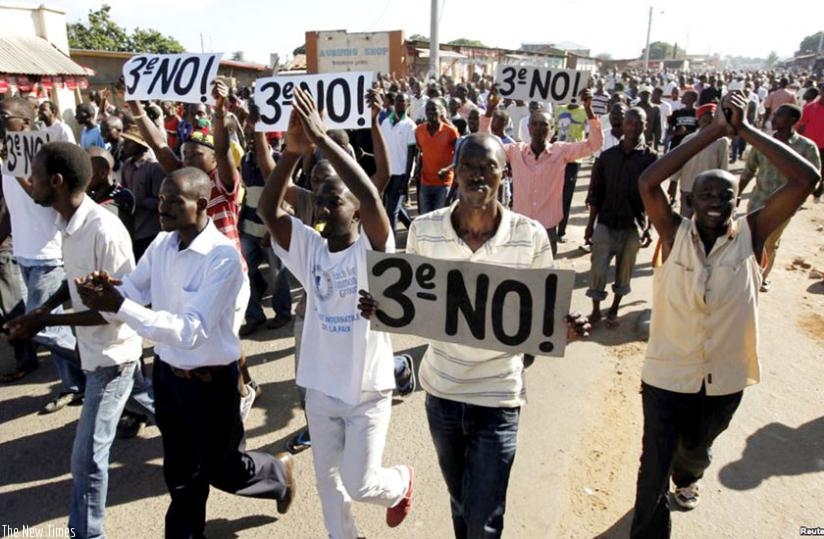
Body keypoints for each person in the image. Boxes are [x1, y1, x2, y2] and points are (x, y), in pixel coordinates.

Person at [631, 91, 820, 538]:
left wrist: (748, 130)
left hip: (723, 378)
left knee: (694, 451)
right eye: (706, 194)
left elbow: (806, 179)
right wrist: (714, 130)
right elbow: (648, 182)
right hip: (667, 373)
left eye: (726, 195)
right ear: (692, 201)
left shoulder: (752, 234)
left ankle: (690, 475)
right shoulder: (673, 232)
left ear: (739, 202)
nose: (716, 201)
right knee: (651, 464)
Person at [76, 166, 296, 538]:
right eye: (161, 200)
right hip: (168, 377)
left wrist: (119, 304)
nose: (162, 208)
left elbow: (190, 331)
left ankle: (277, 473)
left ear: (202, 203)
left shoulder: (223, 258)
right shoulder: (162, 244)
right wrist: (105, 294)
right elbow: (132, 292)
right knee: (180, 472)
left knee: (223, 470)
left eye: (173, 202)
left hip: (212, 384)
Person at [360, 133, 555, 538]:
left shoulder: (532, 236)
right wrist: (385, 308)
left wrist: (551, 332)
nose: (477, 175)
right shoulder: (424, 229)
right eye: (468, 166)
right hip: (443, 395)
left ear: (505, 174)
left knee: (484, 519)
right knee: (463, 501)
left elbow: (542, 319)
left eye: (488, 168)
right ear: (455, 171)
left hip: (498, 398)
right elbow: (411, 303)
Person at [258, 86, 413, 539]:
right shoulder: (310, 246)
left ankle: (401, 482)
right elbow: (269, 210)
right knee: (329, 484)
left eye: (335, 201)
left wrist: (324, 140)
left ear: (357, 211)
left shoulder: (375, 247)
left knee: (361, 483)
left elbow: (373, 193)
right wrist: (290, 152)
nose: (324, 207)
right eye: (320, 200)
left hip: (367, 389)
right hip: (321, 387)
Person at [4, 142, 145, 538]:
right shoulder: (67, 223)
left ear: (57, 181)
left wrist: (44, 321)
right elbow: (74, 283)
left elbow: (115, 309)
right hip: (92, 349)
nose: (28, 181)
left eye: (33, 174)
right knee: (164, 410)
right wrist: (40, 312)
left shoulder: (105, 230)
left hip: (113, 355)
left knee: (86, 460)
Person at [0, 96, 85, 408]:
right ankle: (75, 384)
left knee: (41, 326)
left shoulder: (46, 160)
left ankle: (94, 369)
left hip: (49, 255)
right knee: (53, 324)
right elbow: (10, 210)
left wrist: (18, 169)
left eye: (4, 115)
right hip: (23, 254)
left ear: (25, 122)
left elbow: (42, 198)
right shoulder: (6, 162)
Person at [504, 89, 603, 255]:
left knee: (545, 276)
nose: (538, 128)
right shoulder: (515, 152)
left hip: (547, 230)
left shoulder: (561, 151)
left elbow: (595, 144)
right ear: (528, 128)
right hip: (520, 228)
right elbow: (487, 146)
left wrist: (588, 109)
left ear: (551, 129)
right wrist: (490, 109)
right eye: (534, 124)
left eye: (544, 125)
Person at [585, 107, 656, 328]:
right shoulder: (607, 157)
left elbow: (654, 196)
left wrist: (650, 227)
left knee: (624, 271)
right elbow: (596, 193)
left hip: (632, 225)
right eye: (630, 123)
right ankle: (595, 310)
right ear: (622, 125)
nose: (633, 127)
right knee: (598, 268)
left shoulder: (651, 158)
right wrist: (590, 226)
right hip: (605, 222)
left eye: (639, 123)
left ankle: (614, 308)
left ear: (645, 126)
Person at [739, 104, 821, 291]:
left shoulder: (806, 147)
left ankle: (761, 276)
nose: (773, 119)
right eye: (774, 115)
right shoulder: (763, 143)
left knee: (769, 242)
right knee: (749, 239)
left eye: (779, 116)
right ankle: (746, 275)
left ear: (793, 121)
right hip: (758, 201)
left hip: (784, 206)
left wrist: (797, 201)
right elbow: (749, 170)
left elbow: (813, 178)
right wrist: (737, 194)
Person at [667, 103, 729, 218]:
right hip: (688, 188)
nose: (707, 124)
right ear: (699, 120)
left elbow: (723, 168)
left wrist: (723, 190)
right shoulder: (688, 139)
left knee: (706, 221)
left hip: (710, 191)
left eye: (711, 121)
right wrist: (673, 182)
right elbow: (679, 162)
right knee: (686, 221)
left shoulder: (721, 141)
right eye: (705, 120)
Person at [379, 92, 416, 235]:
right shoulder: (385, 122)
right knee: (393, 207)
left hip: (400, 174)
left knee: (391, 210)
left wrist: (407, 179)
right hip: (386, 172)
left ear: (408, 105)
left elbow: (412, 153)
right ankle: (413, 229)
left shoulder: (410, 126)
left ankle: (391, 243)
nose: (400, 103)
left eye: (403, 101)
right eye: (398, 101)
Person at [414, 100, 460, 215]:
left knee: (440, 218)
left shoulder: (451, 132)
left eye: (433, 109)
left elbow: (459, 155)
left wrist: (448, 168)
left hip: (444, 183)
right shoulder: (419, 131)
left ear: (441, 111)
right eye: (428, 110)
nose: (430, 112)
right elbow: (420, 152)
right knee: (425, 218)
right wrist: (417, 169)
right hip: (425, 183)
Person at [797, 84, 824, 201]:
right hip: (808, 145)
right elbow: (801, 126)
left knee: (822, 171)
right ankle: (802, 193)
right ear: (821, 92)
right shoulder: (809, 107)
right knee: (805, 170)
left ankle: (819, 189)